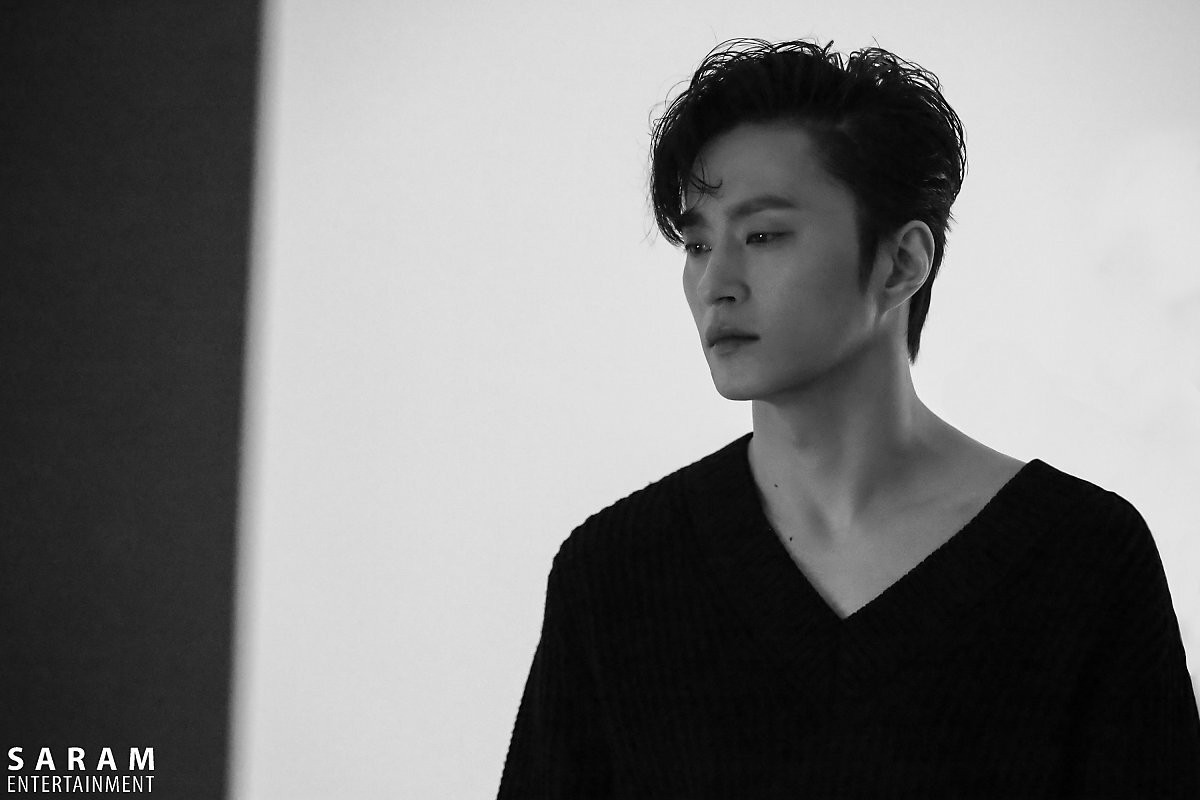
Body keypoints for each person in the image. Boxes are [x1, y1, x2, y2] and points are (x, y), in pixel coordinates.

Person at [497, 39, 1200, 797]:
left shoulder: (1085, 564)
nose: (715, 282)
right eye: (697, 244)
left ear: (901, 264)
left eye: (763, 235)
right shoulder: (613, 577)